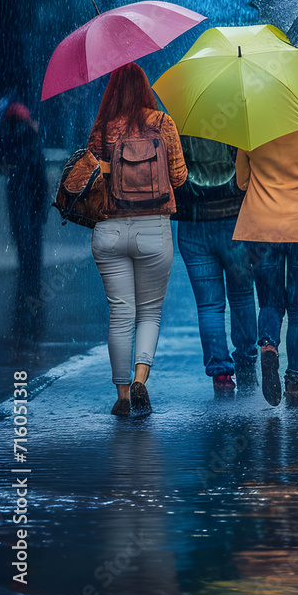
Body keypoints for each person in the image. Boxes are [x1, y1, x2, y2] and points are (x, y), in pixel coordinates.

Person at [87, 63, 187, 417]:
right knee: (149, 312)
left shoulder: (101, 131)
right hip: (153, 227)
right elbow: (178, 175)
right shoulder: (162, 123)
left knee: (120, 313)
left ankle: (123, 395)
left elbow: (89, 181)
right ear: (145, 88)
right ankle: (141, 377)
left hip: (109, 230)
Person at [234, 125, 298, 407]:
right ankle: (294, 383)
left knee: (269, 302)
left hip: (261, 228)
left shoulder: (250, 128)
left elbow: (242, 182)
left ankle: (268, 345)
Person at [174, 135, 257, 397]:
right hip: (235, 218)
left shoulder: (180, 118)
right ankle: (246, 362)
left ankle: (221, 373)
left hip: (194, 221)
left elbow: (175, 173)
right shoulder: (239, 116)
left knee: (209, 306)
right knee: (242, 296)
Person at [0, 98, 48, 344]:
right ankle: (30, 308)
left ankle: (26, 309)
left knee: (27, 256)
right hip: (30, 205)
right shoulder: (29, 140)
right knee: (31, 259)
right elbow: (40, 175)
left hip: (23, 204)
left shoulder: (11, 142)